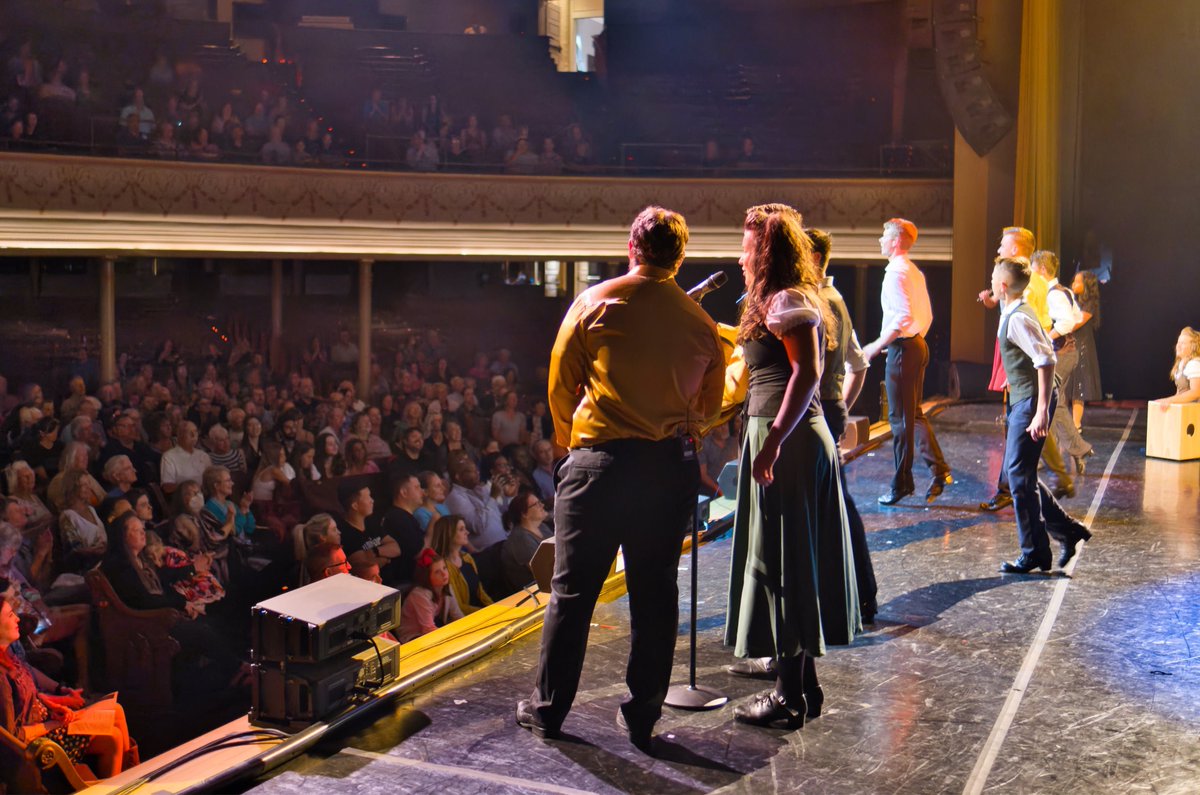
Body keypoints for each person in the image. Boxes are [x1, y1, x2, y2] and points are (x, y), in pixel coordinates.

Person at [515, 206, 724, 752]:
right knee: (655, 595)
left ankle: (547, 711)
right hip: (666, 470)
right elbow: (708, 407)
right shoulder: (701, 323)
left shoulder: (594, 302)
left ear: (632, 248)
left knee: (571, 593)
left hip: (598, 466)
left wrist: (572, 449)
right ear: (680, 258)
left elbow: (560, 385)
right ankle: (642, 716)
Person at [724, 205, 860, 729]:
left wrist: (774, 440)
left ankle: (787, 696)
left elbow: (807, 373)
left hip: (791, 441)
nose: (741, 258)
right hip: (782, 436)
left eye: (748, 248)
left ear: (768, 252)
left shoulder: (787, 299)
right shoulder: (778, 300)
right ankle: (804, 686)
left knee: (784, 564)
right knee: (790, 561)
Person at [988, 258, 1093, 573]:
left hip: (1032, 401)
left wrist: (1042, 412)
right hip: (1026, 396)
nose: (990, 282)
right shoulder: (1013, 309)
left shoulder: (1018, 318)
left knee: (1019, 477)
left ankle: (1035, 552)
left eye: (993, 279)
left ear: (1003, 286)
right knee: (1021, 474)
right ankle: (1067, 532)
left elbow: (1046, 359)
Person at [978, 228, 1075, 509]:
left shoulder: (1029, 284)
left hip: (1023, 357)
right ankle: (1024, 483)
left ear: (1015, 248)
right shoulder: (1019, 277)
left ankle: (1010, 487)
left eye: (1003, 244)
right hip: (1020, 353)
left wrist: (1016, 370)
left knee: (1021, 420)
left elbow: (1028, 327)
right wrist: (991, 300)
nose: (998, 249)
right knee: (1021, 422)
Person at [861, 218, 951, 505]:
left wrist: (878, 345)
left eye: (884, 236)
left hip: (905, 348)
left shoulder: (895, 273)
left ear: (896, 241)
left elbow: (902, 316)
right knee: (913, 416)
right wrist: (910, 340)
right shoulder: (913, 271)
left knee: (900, 420)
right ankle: (939, 471)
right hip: (916, 346)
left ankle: (902, 483)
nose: (880, 240)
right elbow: (925, 316)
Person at [1, 590, 134, 779]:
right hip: (39, 738)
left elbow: (31, 694)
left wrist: (55, 704)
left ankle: (133, 777)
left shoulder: (9, 655)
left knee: (116, 711)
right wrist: (53, 723)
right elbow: (12, 736)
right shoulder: (1, 677)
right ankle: (124, 783)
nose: (17, 619)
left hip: (47, 718)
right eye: (10, 615)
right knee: (112, 737)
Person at [1032, 251, 1095, 473]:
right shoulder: (1063, 291)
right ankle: (1062, 452)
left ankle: (1073, 449)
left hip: (1062, 354)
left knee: (1051, 402)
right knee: (1053, 402)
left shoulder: (1054, 295)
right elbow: (1076, 316)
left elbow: (1068, 322)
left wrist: (1046, 337)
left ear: (1041, 270)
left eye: (1033, 269)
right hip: (1064, 354)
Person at [1064, 269, 1104, 431]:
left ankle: (1076, 424)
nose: (1073, 284)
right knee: (1065, 386)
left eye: (1078, 282)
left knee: (1078, 387)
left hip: (1082, 347)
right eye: (1073, 281)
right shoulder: (1071, 301)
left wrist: (1061, 325)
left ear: (1086, 285)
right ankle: (1063, 423)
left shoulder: (1090, 305)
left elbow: (1075, 324)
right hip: (1069, 346)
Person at [396, 548, 463, 643]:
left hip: (432, 631)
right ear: (427, 576)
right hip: (413, 638)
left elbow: (457, 615)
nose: (444, 574)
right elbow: (428, 629)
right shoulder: (419, 595)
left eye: (444, 568)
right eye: (437, 572)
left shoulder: (446, 587)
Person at [428, 514, 492, 613]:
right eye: (461, 529)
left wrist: (494, 606)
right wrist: (487, 611)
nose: (467, 532)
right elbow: (458, 606)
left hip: (483, 611)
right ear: (449, 534)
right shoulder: (443, 567)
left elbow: (480, 592)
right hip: (468, 616)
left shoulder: (467, 557)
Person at [375, 473, 427, 588]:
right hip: (403, 584)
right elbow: (419, 553)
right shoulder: (398, 518)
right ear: (404, 492)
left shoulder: (403, 516)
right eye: (417, 487)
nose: (422, 491)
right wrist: (434, 527)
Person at [499, 491, 549, 595]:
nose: (542, 505)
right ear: (524, 514)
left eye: (540, 502)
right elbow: (542, 572)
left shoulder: (542, 527)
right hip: (537, 592)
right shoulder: (520, 538)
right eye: (536, 504)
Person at [1153, 327, 1200, 404]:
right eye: (1178, 343)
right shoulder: (1180, 365)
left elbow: (1196, 392)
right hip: (1185, 409)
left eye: (1183, 343)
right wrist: (1164, 401)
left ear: (1193, 347)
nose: (1178, 346)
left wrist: (1169, 400)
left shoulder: (1194, 364)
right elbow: (1179, 394)